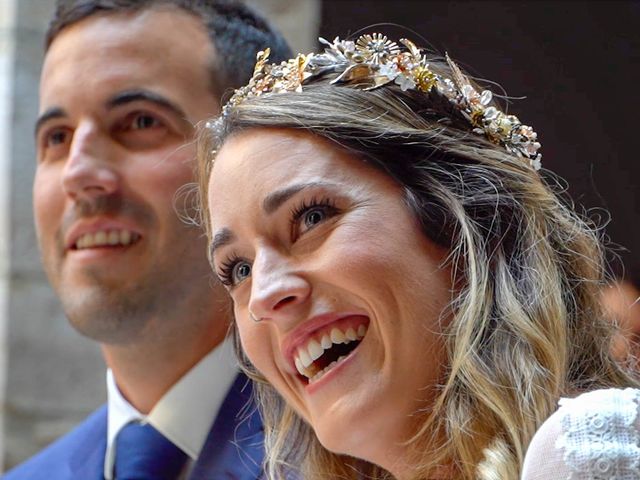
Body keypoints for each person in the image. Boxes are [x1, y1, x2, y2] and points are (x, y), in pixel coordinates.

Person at [197, 33, 640, 479]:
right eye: (239, 269)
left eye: (312, 217)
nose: (263, 296)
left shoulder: (582, 453)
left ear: (465, 222)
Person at [4, 1, 291, 479]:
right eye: (56, 137)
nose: (78, 173)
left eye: (139, 122)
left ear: (257, 156)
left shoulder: (362, 455)